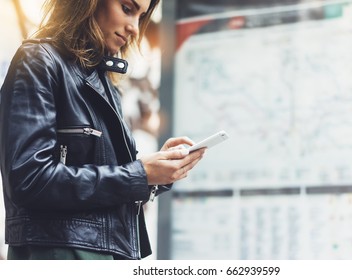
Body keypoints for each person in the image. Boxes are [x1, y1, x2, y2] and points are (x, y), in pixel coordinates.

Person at [0, 0, 205, 260]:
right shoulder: (38, 61)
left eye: (141, 17)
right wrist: (139, 175)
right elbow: (30, 180)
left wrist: (156, 174)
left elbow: (110, 183)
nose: (134, 28)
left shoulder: (105, 82)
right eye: (128, 9)